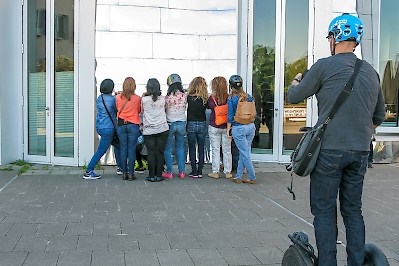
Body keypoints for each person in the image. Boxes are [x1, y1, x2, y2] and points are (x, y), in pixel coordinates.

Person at [287, 13, 385, 266]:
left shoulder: (324, 66)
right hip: (360, 152)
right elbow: (379, 115)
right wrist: (358, 130)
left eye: (329, 36)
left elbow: (295, 96)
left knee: (324, 212)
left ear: (334, 37)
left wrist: (296, 80)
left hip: (328, 152)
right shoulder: (371, 72)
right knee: (353, 211)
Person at [83, 78, 119, 179]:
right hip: (108, 127)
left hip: (100, 126)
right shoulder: (112, 100)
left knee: (117, 145)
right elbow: (117, 110)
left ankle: (120, 167)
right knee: (101, 150)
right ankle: (89, 171)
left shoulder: (100, 98)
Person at [226, 75, 257, 184]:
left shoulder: (231, 99)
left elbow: (230, 117)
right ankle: (238, 176)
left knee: (244, 153)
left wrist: (228, 130)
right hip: (250, 126)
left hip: (239, 127)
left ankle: (252, 177)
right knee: (244, 151)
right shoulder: (248, 96)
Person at [141, 78, 169, 182]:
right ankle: (159, 175)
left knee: (151, 152)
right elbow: (166, 109)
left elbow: (141, 111)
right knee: (160, 153)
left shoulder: (143, 100)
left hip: (149, 130)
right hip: (162, 129)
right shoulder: (162, 99)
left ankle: (151, 175)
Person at [116, 77, 141, 181]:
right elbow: (139, 111)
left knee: (123, 148)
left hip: (121, 125)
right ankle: (131, 173)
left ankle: (124, 172)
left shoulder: (118, 97)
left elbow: (117, 108)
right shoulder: (137, 98)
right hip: (133, 125)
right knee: (131, 149)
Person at [207, 76, 232, 179]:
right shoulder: (229, 97)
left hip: (214, 125)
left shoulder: (211, 98)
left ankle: (215, 171)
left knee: (215, 149)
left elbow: (209, 107)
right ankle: (228, 172)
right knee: (227, 149)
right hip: (226, 126)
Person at [162, 74, 187, 179]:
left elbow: (165, 109)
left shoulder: (167, 97)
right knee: (180, 148)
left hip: (170, 123)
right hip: (182, 123)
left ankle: (170, 172)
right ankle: (182, 172)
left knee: (167, 148)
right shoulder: (184, 95)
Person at [186, 76, 208, 178]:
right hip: (202, 123)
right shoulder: (205, 98)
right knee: (201, 148)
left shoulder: (189, 97)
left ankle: (193, 170)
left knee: (192, 147)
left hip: (191, 123)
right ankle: (200, 171)